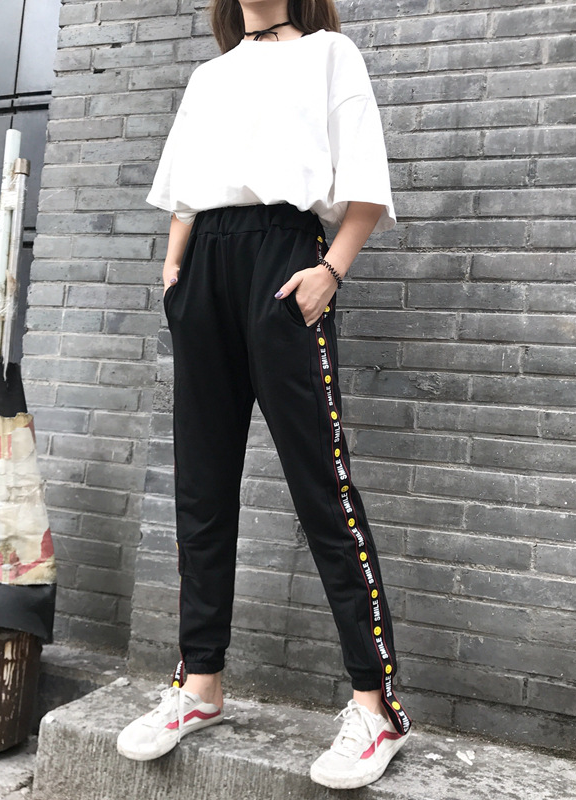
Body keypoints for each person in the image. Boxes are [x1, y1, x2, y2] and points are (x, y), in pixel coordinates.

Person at [116, 0, 411, 789]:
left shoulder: (329, 55)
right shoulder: (210, 76)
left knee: (322, 487)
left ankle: (376, 707)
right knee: (201, 489)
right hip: (204, 272)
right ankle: (200, 684)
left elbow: (366, 183)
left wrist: (331, 271)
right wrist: (175, 275)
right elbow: (186, 192)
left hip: (286, 262)